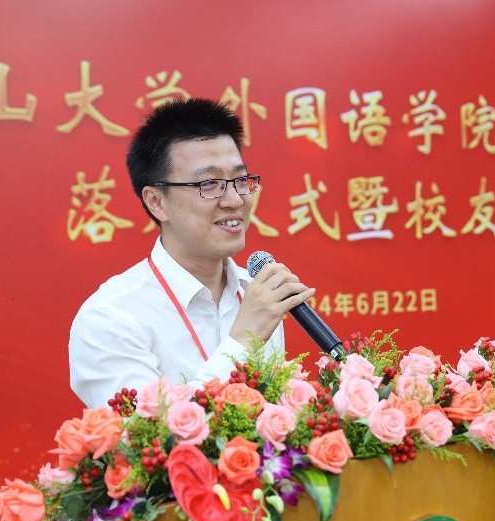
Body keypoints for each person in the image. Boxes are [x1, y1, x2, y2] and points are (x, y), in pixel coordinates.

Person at [69, 98, 314, 408]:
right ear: (157, 201)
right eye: (209, 184)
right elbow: (149, 432)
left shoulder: (255, 293)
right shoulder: (110, 317)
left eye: (240, 180)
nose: (234, 200)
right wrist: (244, 340)